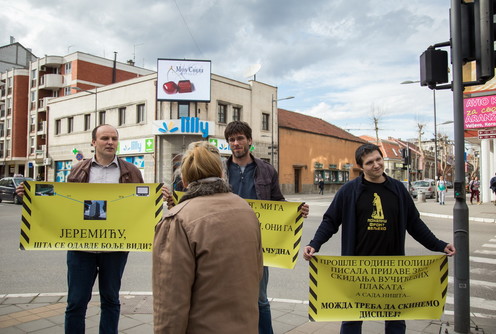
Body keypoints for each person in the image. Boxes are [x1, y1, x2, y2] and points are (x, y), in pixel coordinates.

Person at [163, 121, 309, 334]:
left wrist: (296, 211)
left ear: (250, 141)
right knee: (224, 296)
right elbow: (198, 197)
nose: (236, 143)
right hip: (221, 237)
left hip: (256, 242)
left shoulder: (267, 170)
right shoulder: (219, 168)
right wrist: (174, 203)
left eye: (240, 138)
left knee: (260, 299)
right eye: (231, 140)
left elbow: (277, 202)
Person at [303, 143, 455, 334]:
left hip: (393, 269)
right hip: (356, 268)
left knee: (395, 321)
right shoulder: (349, 191)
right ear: (361, 167)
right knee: (352, 320)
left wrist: (440, 245)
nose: (376, 165)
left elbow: (414, 224)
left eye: (378, 159)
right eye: (369, 163)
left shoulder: (398, 190)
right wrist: (314, 244)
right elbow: (330, 221)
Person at [17, 124, 144, 334]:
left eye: (114, 138)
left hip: (115, 248)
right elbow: (62, 204)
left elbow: (141, 206)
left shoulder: (131, 171)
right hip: (81, 249)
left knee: (111, 300)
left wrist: (160, 200)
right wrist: (28, 198)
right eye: (105, 138)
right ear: (93, 142)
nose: (110, 142)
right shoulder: (78, 169)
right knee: (75, 303)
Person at [153, 141, 263, 333]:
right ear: (221, 174)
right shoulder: (245, 209)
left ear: (185, 179)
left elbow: (170, 301)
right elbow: (257, 272)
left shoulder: (177, 220)